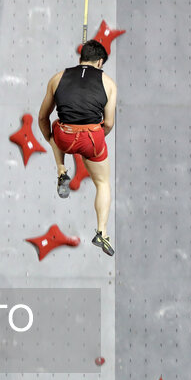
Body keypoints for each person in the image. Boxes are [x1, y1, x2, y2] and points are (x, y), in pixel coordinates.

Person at [38, 39, 117, 256]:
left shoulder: (57, 78)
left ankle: (61, 170)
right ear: (100, 62)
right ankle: (101, 231)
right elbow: (108, 123)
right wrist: (97, 139)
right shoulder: (108, 83)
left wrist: (50, 140)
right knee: (102, 183)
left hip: (65, 137)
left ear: (80, 58)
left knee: (55, 126)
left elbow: (43, 117)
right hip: (92, 140)